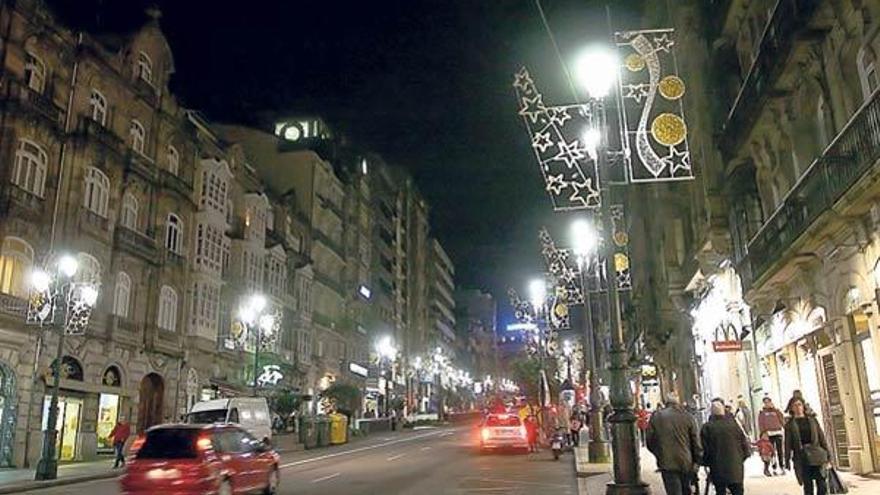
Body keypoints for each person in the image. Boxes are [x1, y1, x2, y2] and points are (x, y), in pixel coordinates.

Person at [646, 393, 702, 495]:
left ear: (665, 403)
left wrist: (659, 454)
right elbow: (695, 441)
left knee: (673, 491)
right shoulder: (688, 416)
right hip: (686, 461)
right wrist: (697, 461)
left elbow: (649, 440)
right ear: (678, 403)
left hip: (667, 462)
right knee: (686, 490)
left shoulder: (657, 417)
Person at [701, 400, 750, 495]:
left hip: (718, 468)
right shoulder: (734, 425)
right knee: (738, 491)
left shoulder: (707, 428)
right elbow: (744, 445)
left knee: (720, 491)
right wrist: (740, 459)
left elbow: (705, 449)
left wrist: (706, 462)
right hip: (736, 468)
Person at [784, 397, 830, 495]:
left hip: (816, 455)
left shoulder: (812, 420)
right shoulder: (790, 424)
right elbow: (787, 443)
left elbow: (821, 437)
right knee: (808, 485)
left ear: (803, 406)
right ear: (791, 408)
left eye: (799, 404)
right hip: (802, 457)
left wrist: (828, 454)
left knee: (822, 484)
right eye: (795, 405)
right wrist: (787, 459)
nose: (798, 407)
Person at [758, 396, 786, 474]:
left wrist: (785, 427)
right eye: (765, 402)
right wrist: (763, 433)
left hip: (778, 432)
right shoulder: (762, 413)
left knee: (780, 450)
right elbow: (761, 423)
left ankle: (782, 466)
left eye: (768, 402)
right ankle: (774, 467)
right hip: (769, 434)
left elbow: (781, 419)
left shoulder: (776, 411)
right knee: (771, 451)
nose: (767, 404)